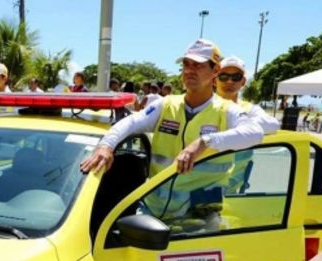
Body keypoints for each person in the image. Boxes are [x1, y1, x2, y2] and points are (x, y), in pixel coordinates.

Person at [81, 39, 264, 229]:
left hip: (199, 219)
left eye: (198, 65)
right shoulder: (166, 105)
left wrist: (204, 142)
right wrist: (106, 146)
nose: (190, 70)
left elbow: (255, 133)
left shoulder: (226, 110)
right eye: (186, 64)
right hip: (153, 213)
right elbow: (131, 122)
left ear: (215, 71)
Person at [213, 56, 279, 193]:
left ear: (243, 82)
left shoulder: (249, 109)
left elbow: (273, 125)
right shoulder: (205, 106)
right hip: (201, 185)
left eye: (236, 77)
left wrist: (238, 122)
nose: (229, 81)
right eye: (223, 76)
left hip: (233, 190)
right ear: (215, 80)